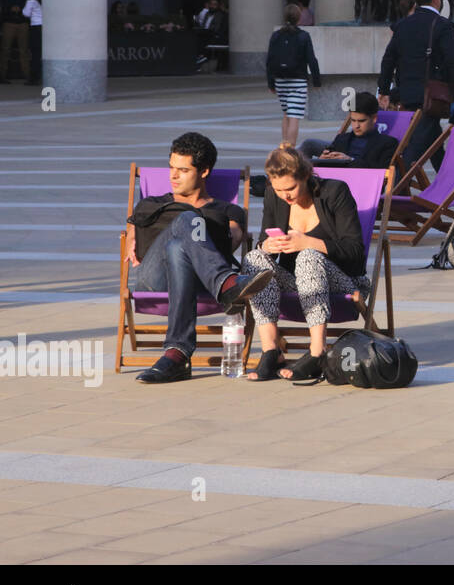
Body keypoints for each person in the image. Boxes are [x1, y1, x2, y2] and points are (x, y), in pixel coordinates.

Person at [128, 133, 274, 384]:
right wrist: (131, 234)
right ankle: (227, 283)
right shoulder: (150, 204)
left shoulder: (228, 211)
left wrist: (201, 236)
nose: (173, 176)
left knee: (177, 247)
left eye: (182, 170)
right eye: (172, 168)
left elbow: (233, 242)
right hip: (154, 280)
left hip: (199, 282)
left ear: (204, 171)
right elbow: (132, 237)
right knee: (185, 219)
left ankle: (177, 354)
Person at [239, 144, 372, 382]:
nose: (285, 195)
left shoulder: (335, 193)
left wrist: (309, 242)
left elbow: (355, 253)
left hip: (343, 282)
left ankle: (317, 351)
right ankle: (271, 351)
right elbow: (263, 241)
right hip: (298, 283)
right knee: (254, 258)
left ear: (306, 176)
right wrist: (267, 246)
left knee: (308, 255)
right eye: (278, 189)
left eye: (290, 188)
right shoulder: (274, 195)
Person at [378, 0, 454, 170]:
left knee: (432, 139)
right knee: (414, 147)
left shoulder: (402, 25)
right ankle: (395, 189)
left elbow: (388, 59)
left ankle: (449, 185)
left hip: (406, 94)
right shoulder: (443, 25)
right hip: (432, 96)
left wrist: (383, 90)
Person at [265, 3, 321, 150]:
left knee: (286, 114)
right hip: (298, 80)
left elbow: (270, 60)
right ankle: (290, 149)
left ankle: (284, 145)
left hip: (280, 80)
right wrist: (316, 81)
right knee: (294, 115)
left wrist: (271, 83)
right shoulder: (303, 36)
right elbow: (311, 59)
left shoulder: (276, 35)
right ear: (299, 18)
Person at [298, 92, 399, 169]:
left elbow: (381, 171)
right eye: (353, 120)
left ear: (374, 118)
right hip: (336, 186)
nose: (356, 126)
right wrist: (321, 160)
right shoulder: (342, 139)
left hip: (363, 186)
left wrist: (350, 160)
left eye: (361, 121)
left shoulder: (387, 143)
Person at [1, 0, 30, 83]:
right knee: (5, 50)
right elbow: (3, 6)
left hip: (22, 22)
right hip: (9, 22)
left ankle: (27, 76)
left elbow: (28, 3)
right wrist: (10, 9)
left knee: (24, 50)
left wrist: (21, 9)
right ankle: (2, 76)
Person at [20, 0, 40, 85]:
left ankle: (35, 77)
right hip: (48, 27)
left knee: (36, 53)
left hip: (36, 26)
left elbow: (26, 13)